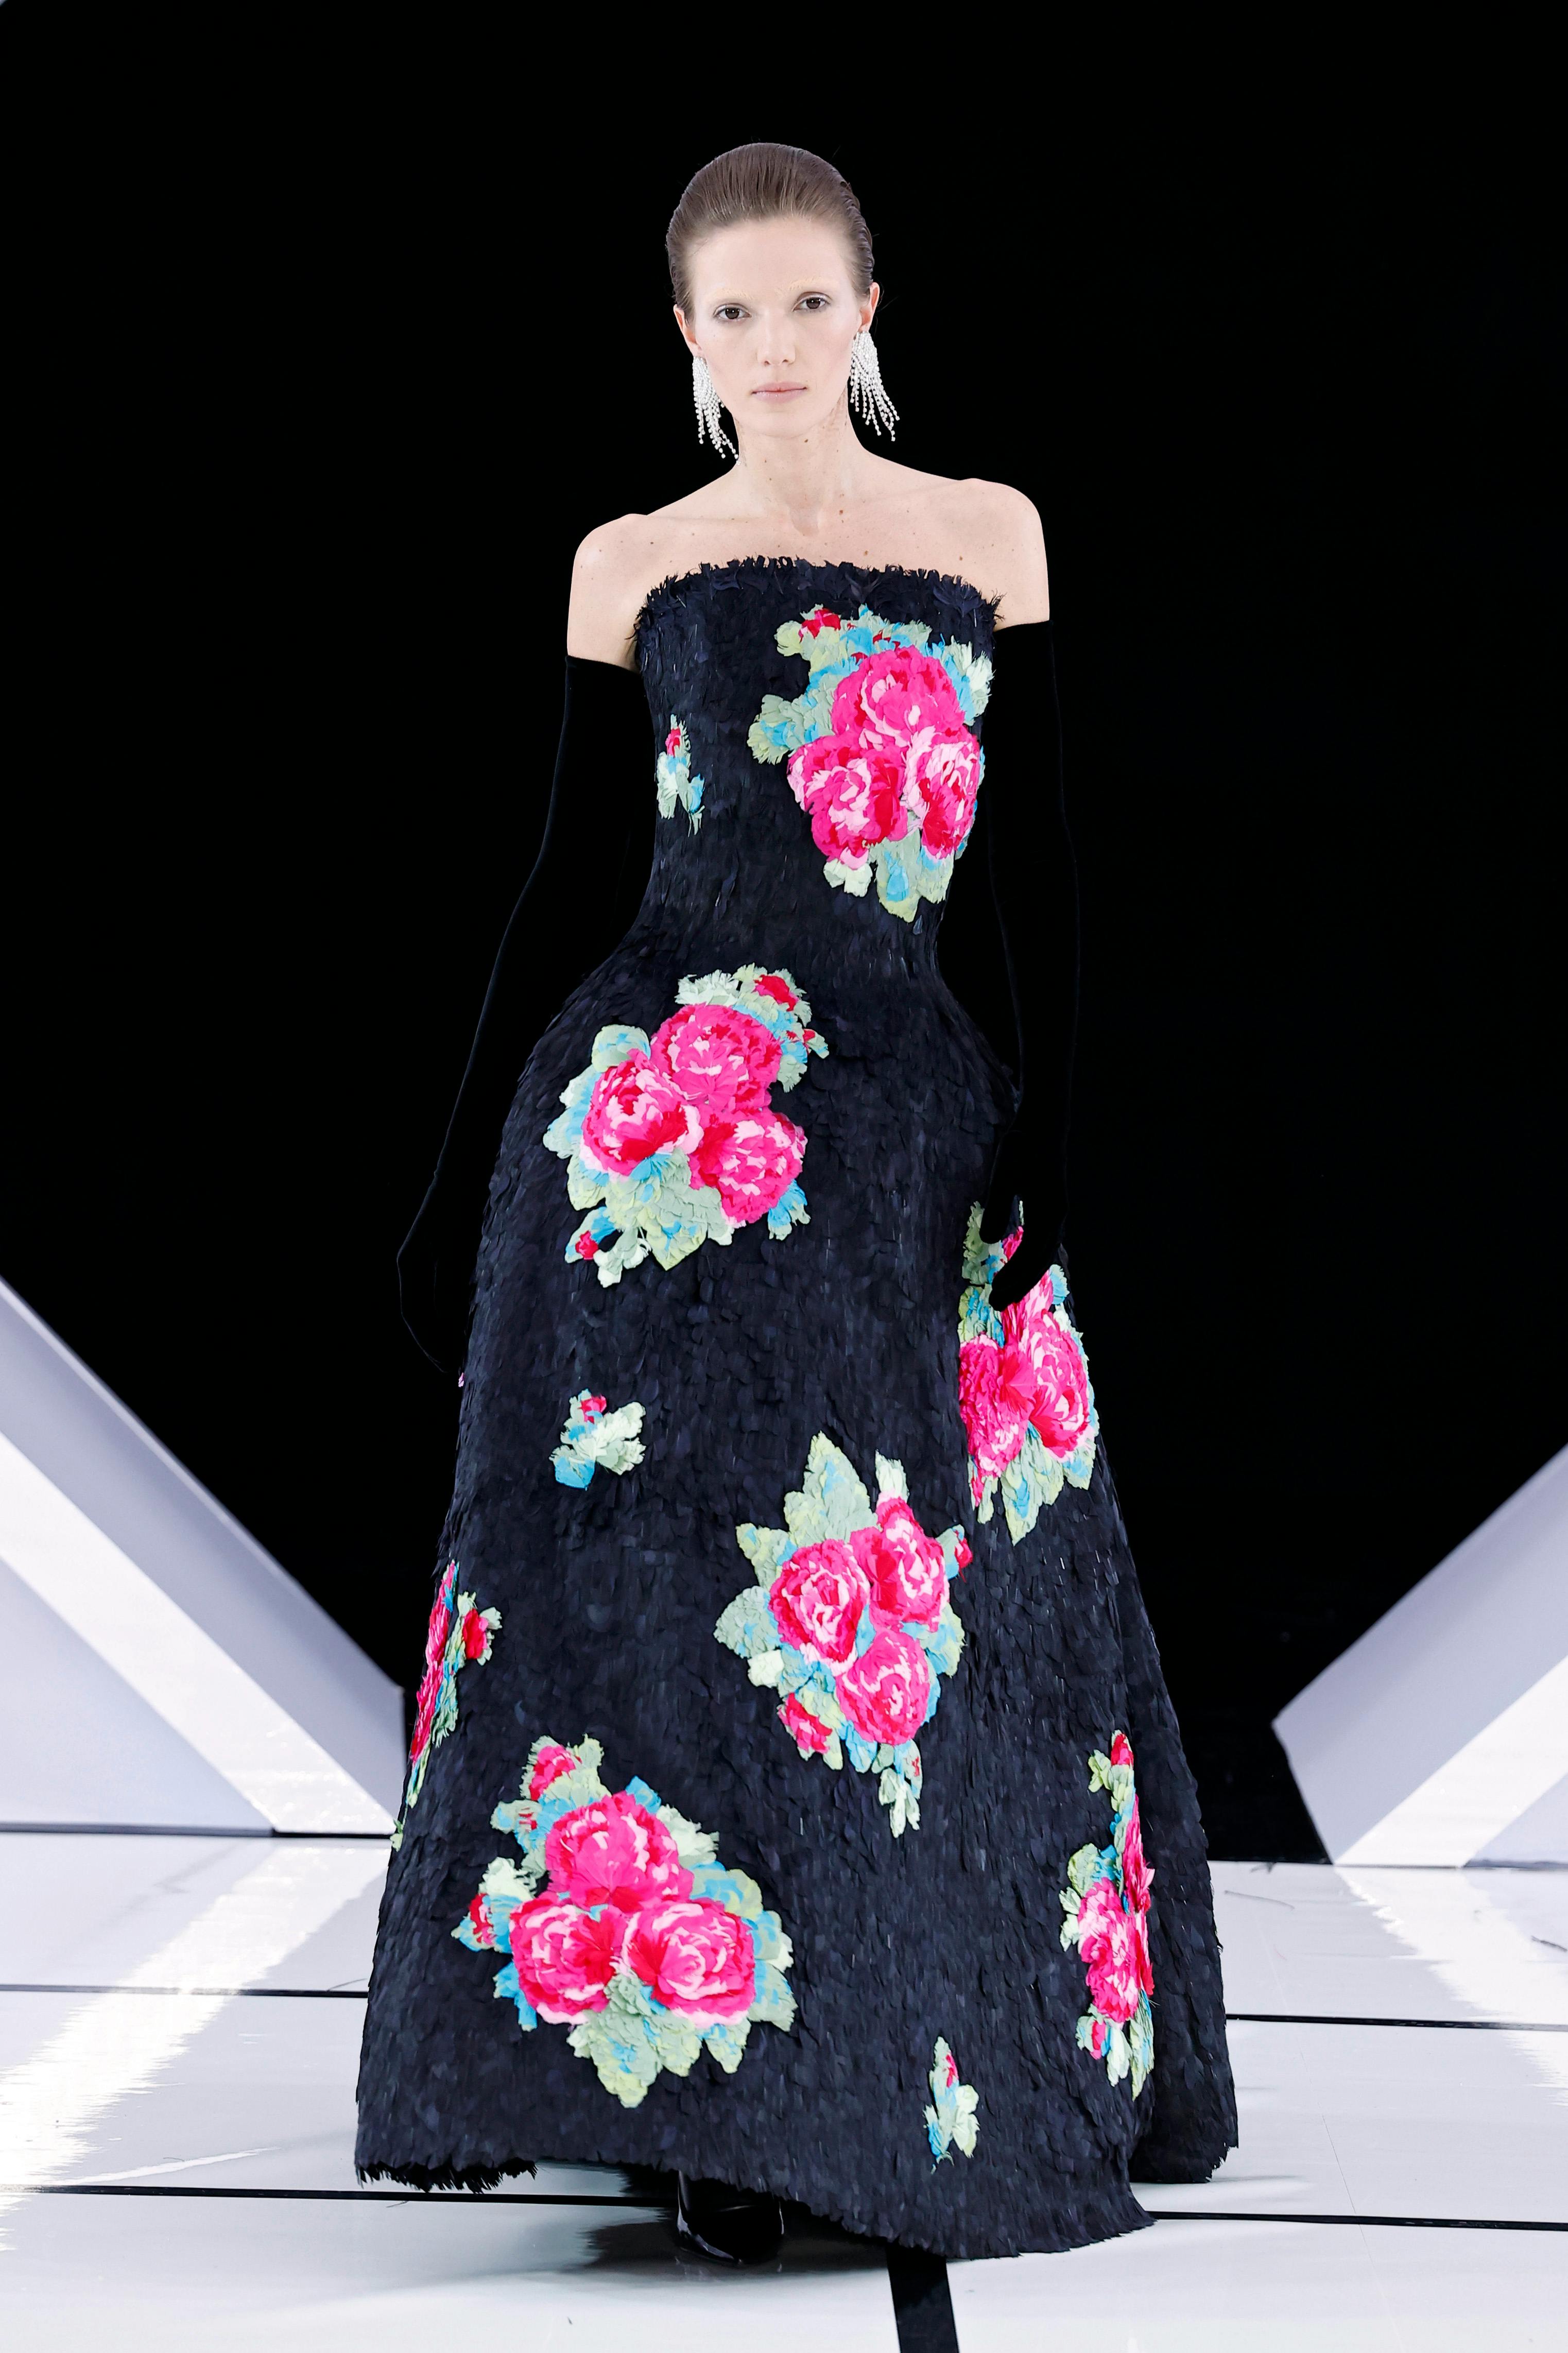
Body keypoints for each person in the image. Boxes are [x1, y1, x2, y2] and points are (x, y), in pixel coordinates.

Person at [356, 141, 1235, 2264]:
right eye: (733, 312)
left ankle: (885, 2065)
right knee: (661, 1598)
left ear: (868, 311)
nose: (772, 344)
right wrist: (464, 1173)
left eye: (806, 303)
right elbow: (566, 878)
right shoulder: (634, 559)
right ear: (686, 334)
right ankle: (701, 2106)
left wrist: (1054, 1131)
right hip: (657, 1140)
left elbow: (1040, 870)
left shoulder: (985, 533)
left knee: (906, 1609)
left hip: (904, 1122)